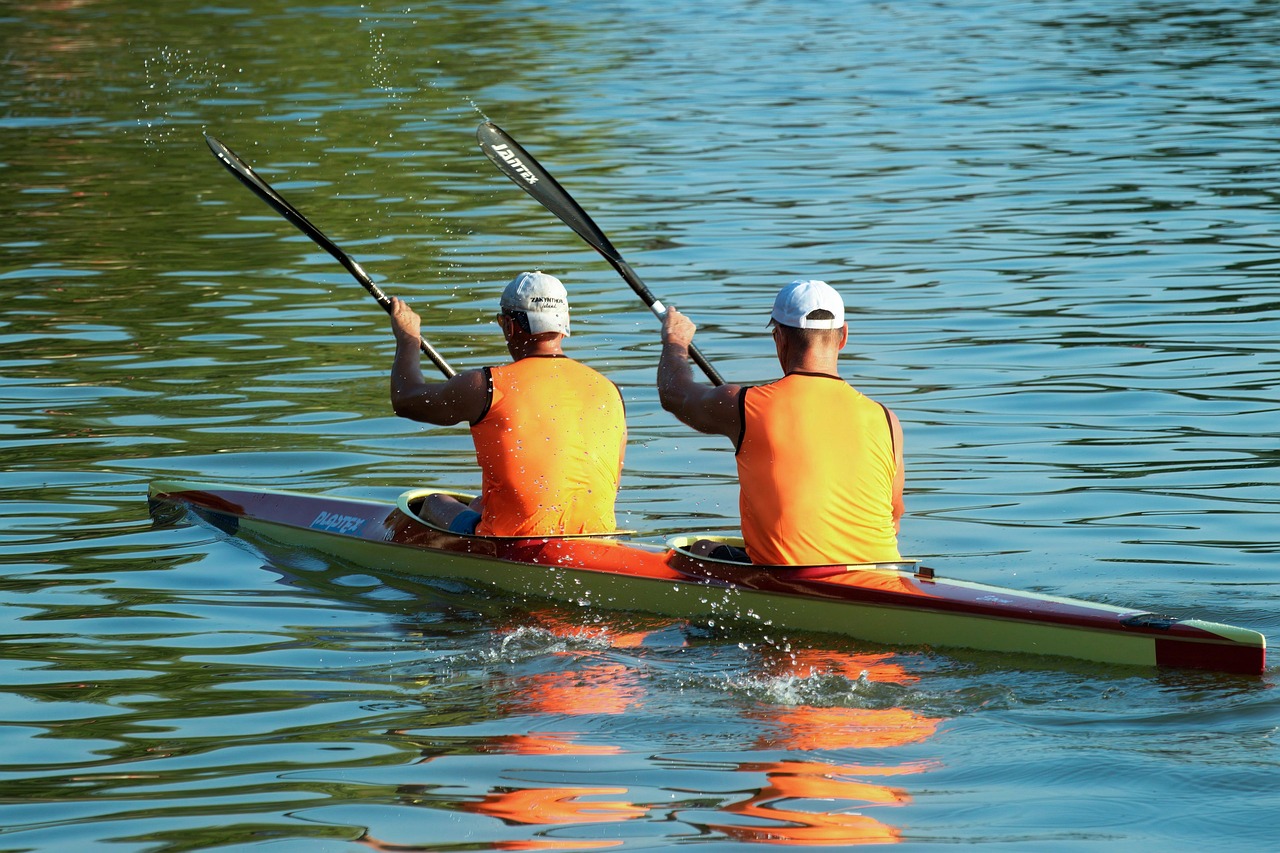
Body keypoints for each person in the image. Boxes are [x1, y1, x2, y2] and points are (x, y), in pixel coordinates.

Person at [656, 279, 904, 565]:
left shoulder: (745, 404)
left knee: (697, 550)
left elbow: (674, 394)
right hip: (882, 574)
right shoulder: (886, 419)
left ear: (780, 339)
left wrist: (675, 342)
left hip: (796, 580)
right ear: (844, 336)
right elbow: (894, 517)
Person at [388, 271, 626, 537]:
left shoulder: (485, 385)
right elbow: (606, 483)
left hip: (513, 543)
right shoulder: (609, 391)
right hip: (596, 539)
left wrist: (408, 339)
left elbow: (405, 399)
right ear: (563, 325)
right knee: (480, 502)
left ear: (510, 326)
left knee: (432, 502)